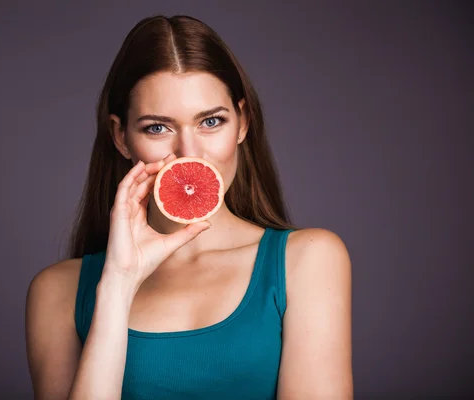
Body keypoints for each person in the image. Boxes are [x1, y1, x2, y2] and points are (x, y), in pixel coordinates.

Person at [25, 14, 353, 400]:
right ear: (121, 137)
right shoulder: (58, 292)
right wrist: (117, 285)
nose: (189, 153)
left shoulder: (308, 261)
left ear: (242, 123)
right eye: (157, 128)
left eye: (211, 121)